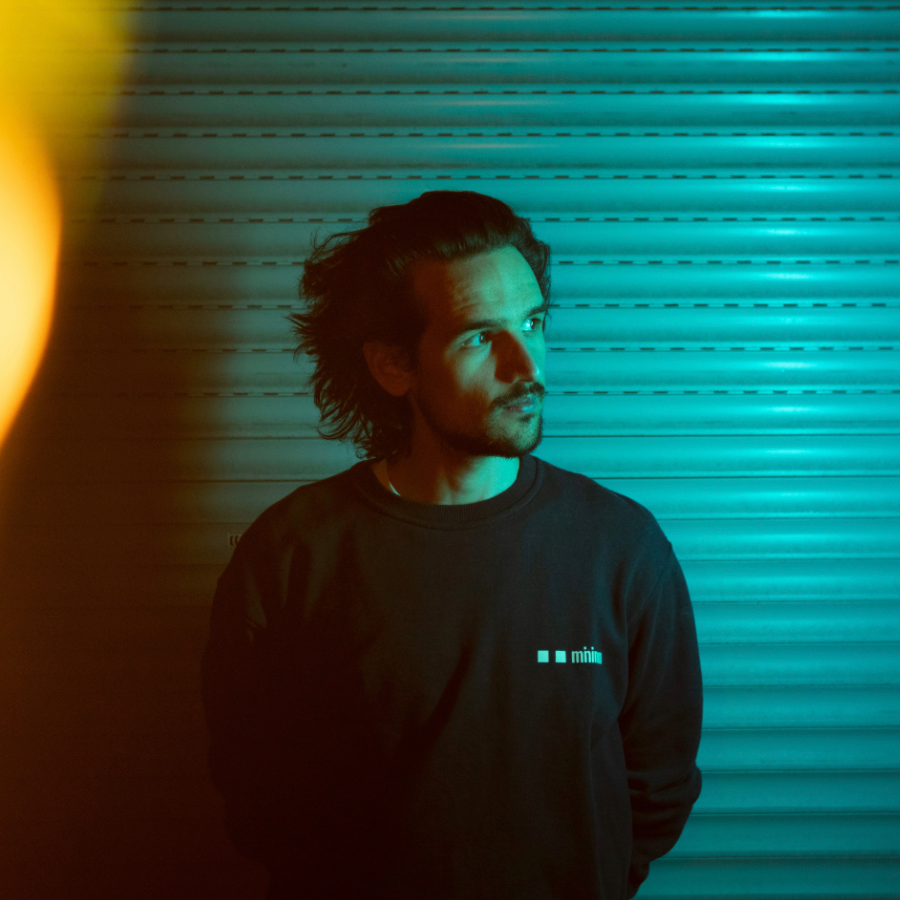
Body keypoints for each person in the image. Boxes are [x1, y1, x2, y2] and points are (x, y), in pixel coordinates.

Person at [201, 190, 703, 900]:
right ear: (393, 365)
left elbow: (659, 781)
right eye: (479, 337)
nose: (527, 365)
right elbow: (257, 792)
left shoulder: (620, 546)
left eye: (533, 323)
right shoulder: (293, 554)